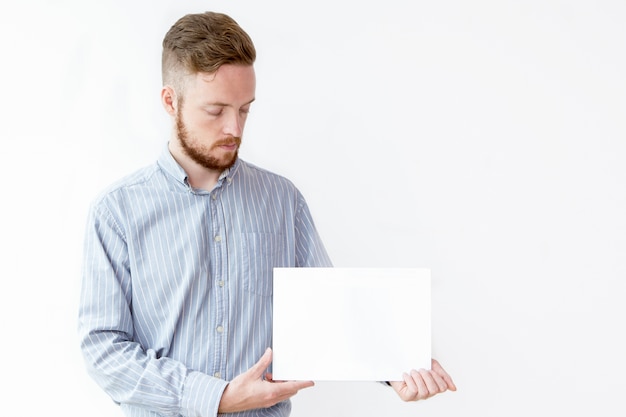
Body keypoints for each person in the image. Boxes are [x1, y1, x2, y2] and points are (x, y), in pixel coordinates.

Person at [78, 11, 456, 417]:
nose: (235, 128)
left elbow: (331, 310)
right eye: (216, 110)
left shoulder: (282, 200)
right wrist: (214, 398)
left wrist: (394, 368)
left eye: (245, 110)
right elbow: (104, 349)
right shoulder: (117, 212)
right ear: (171, 101)